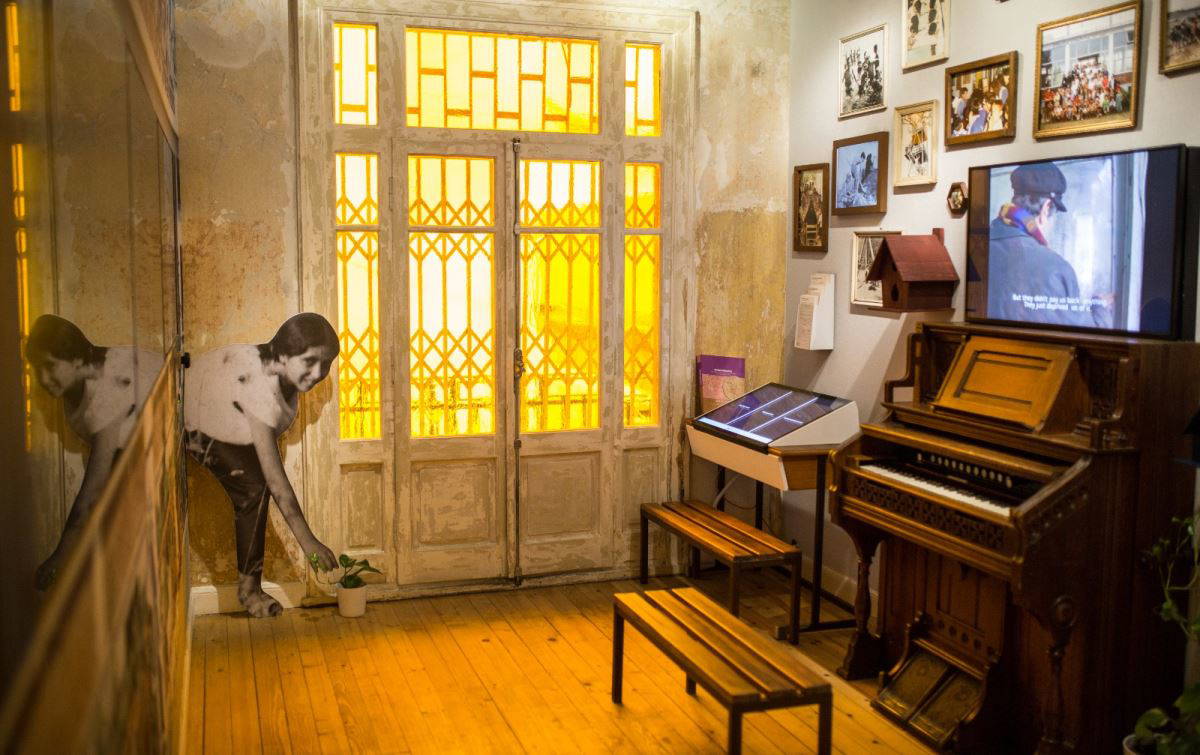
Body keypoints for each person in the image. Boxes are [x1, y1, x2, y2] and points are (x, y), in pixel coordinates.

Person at [184, 313, 339, 617]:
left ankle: (249, 588)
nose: (319, 373)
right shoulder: (259, 387)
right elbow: (277, 484)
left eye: (326, 364)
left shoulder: (276, 370)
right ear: (282, 356)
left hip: (217, 411)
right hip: (190, 419)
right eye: (310, 361)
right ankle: (249, 591)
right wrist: (309, 543)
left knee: (255, 488)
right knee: (254, 489)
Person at [25, 315, 161, 589]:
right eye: (36, 369)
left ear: (76, 359)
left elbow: (90, 496)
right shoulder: (84, 378)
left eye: (50, 366)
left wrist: (58, 559)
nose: (42, 379)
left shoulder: (105, 396)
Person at [986, 163, 1110, 328]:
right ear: (1047, 208)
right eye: (1055, 214)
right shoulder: (1056, 269)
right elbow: (1085, 334)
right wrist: (1100, 307)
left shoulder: (977, 248)